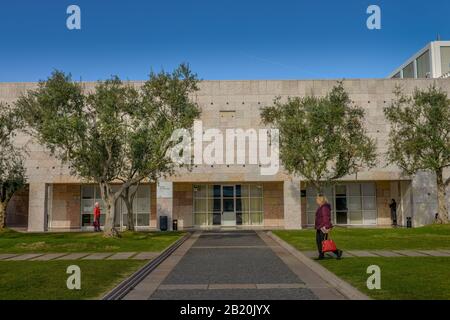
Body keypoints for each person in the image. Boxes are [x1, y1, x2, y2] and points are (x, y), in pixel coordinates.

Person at [315, 194, 342, 260]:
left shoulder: (324, 207)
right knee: (319, 241)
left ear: (320, 200)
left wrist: (327, 227)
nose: (316, 201)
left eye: (317, 199)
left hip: (323, 227)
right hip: (319, 227)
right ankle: (321, 255)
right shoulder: (321, 207)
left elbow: (326, 217)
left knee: (324, 242)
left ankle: (337, 252)